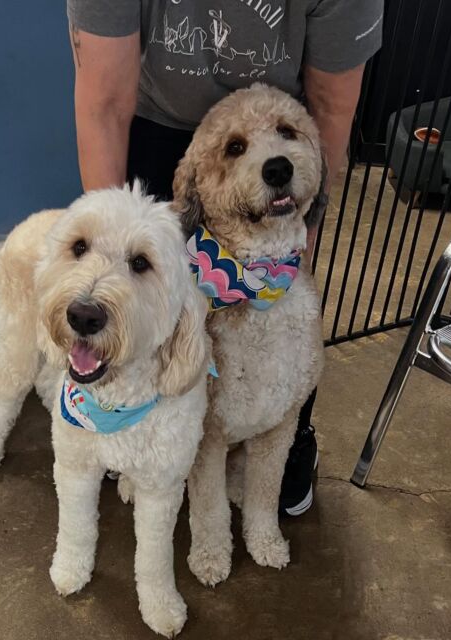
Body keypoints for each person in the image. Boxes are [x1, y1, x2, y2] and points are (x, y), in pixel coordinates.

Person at [65, 0, 383, 516]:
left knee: (280, 312)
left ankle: (289, 427)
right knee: (144, 303)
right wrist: (111, 275)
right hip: (157, 120)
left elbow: (332, 107)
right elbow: (103, 101)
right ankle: (128, 413)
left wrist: (292, 249)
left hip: (278, 119)